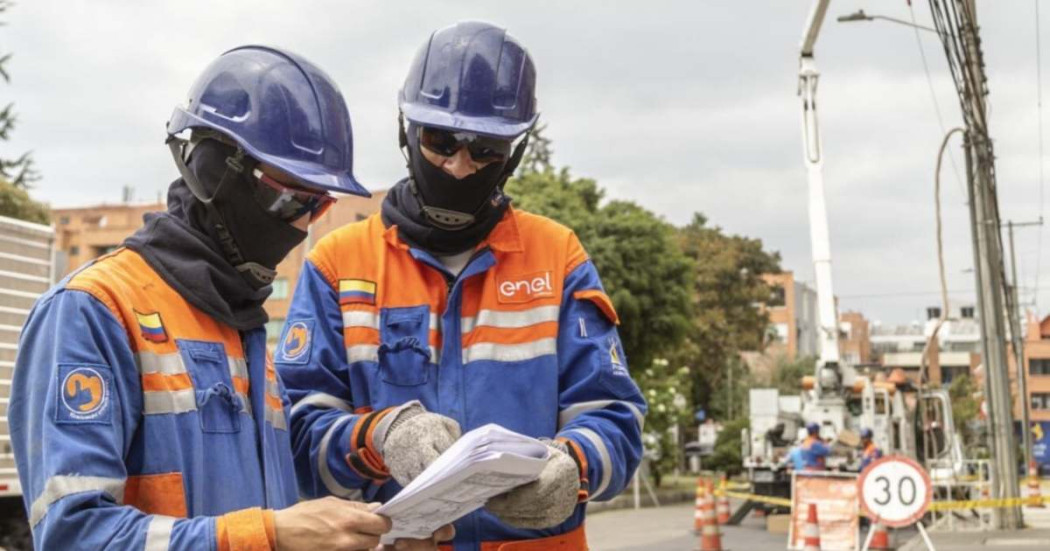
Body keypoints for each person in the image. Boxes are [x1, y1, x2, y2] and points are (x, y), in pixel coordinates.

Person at [9, 45, 450, 551]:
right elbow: (73, 536)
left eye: (319, 203)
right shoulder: (93, 311)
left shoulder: (242, 324)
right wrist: (272, 536)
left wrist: (375, 528)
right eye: (290, 199)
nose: (304, 224)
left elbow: (283, 509)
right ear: (214, 170)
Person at [276, 21, 646, 550]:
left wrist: (573, 465)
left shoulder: (557, 256)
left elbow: (615, 416)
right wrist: (378, 437)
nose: (458, 165)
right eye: (440, 141)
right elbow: (296, 435)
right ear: (407, 130)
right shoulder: (339, 264)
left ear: (513, 153)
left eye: (486, 149)